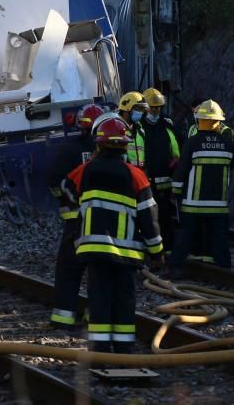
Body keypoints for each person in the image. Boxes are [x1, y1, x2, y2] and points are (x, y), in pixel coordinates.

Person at [72, 116, 163, 353]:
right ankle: (123, 350)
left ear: (99, 145)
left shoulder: (87, 171)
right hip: (125, 254)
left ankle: (100, 349)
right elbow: (149, 218)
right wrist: (157, 252)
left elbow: (69, 192)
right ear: (125, 146)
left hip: (94, 250)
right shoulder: (135, 176)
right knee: (123, 300)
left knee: (99, 298)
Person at [47, 103, 104, 330]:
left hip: (75, 222)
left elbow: (53, 181)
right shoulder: (110, 154)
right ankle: (95, 317)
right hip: (103, 223)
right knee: (99, 273)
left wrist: (67, 198)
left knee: (69, 271)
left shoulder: (68, 150)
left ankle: (63, 318)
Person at [169, 100, 234, 276]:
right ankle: (225, 270)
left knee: (185, 236)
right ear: (218, 121)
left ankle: (175, 267)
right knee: (219, 238)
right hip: (218, 204)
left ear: (200, 120)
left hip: (193, 203)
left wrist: (175, 191)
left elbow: (181, 169)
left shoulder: (193, 142)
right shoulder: (227, 143)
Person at [141, 88, 181, 251]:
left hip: (165, 179)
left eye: (159, 107)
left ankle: (168, 247)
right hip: (146, 180)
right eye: (153, 107)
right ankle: (151, 249)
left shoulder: (166, 124)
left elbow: (177, 146)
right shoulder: (139, 125)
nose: (156, 110)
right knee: (148, 217)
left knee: (166, 216)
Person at [116, 91, 147, 166]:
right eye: (138, 109)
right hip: (124, 173)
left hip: (139, 172)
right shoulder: (116, 129)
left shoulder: (140, 129)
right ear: (127, 109)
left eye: (142, 109)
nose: (141, 112)